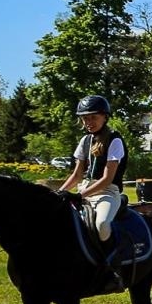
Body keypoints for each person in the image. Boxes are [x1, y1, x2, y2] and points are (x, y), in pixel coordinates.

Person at [57, 95, 126, 246]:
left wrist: (79, 196)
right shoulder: (85, 141)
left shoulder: (115, 140)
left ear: (105, 117)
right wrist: (60, 193)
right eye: (85, 118)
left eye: (93, 117)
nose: (89, 122)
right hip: (84, 190)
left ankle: (111, 260)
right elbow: (77, 175)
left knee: (102, 224)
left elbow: (107, 179)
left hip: (107, 192)